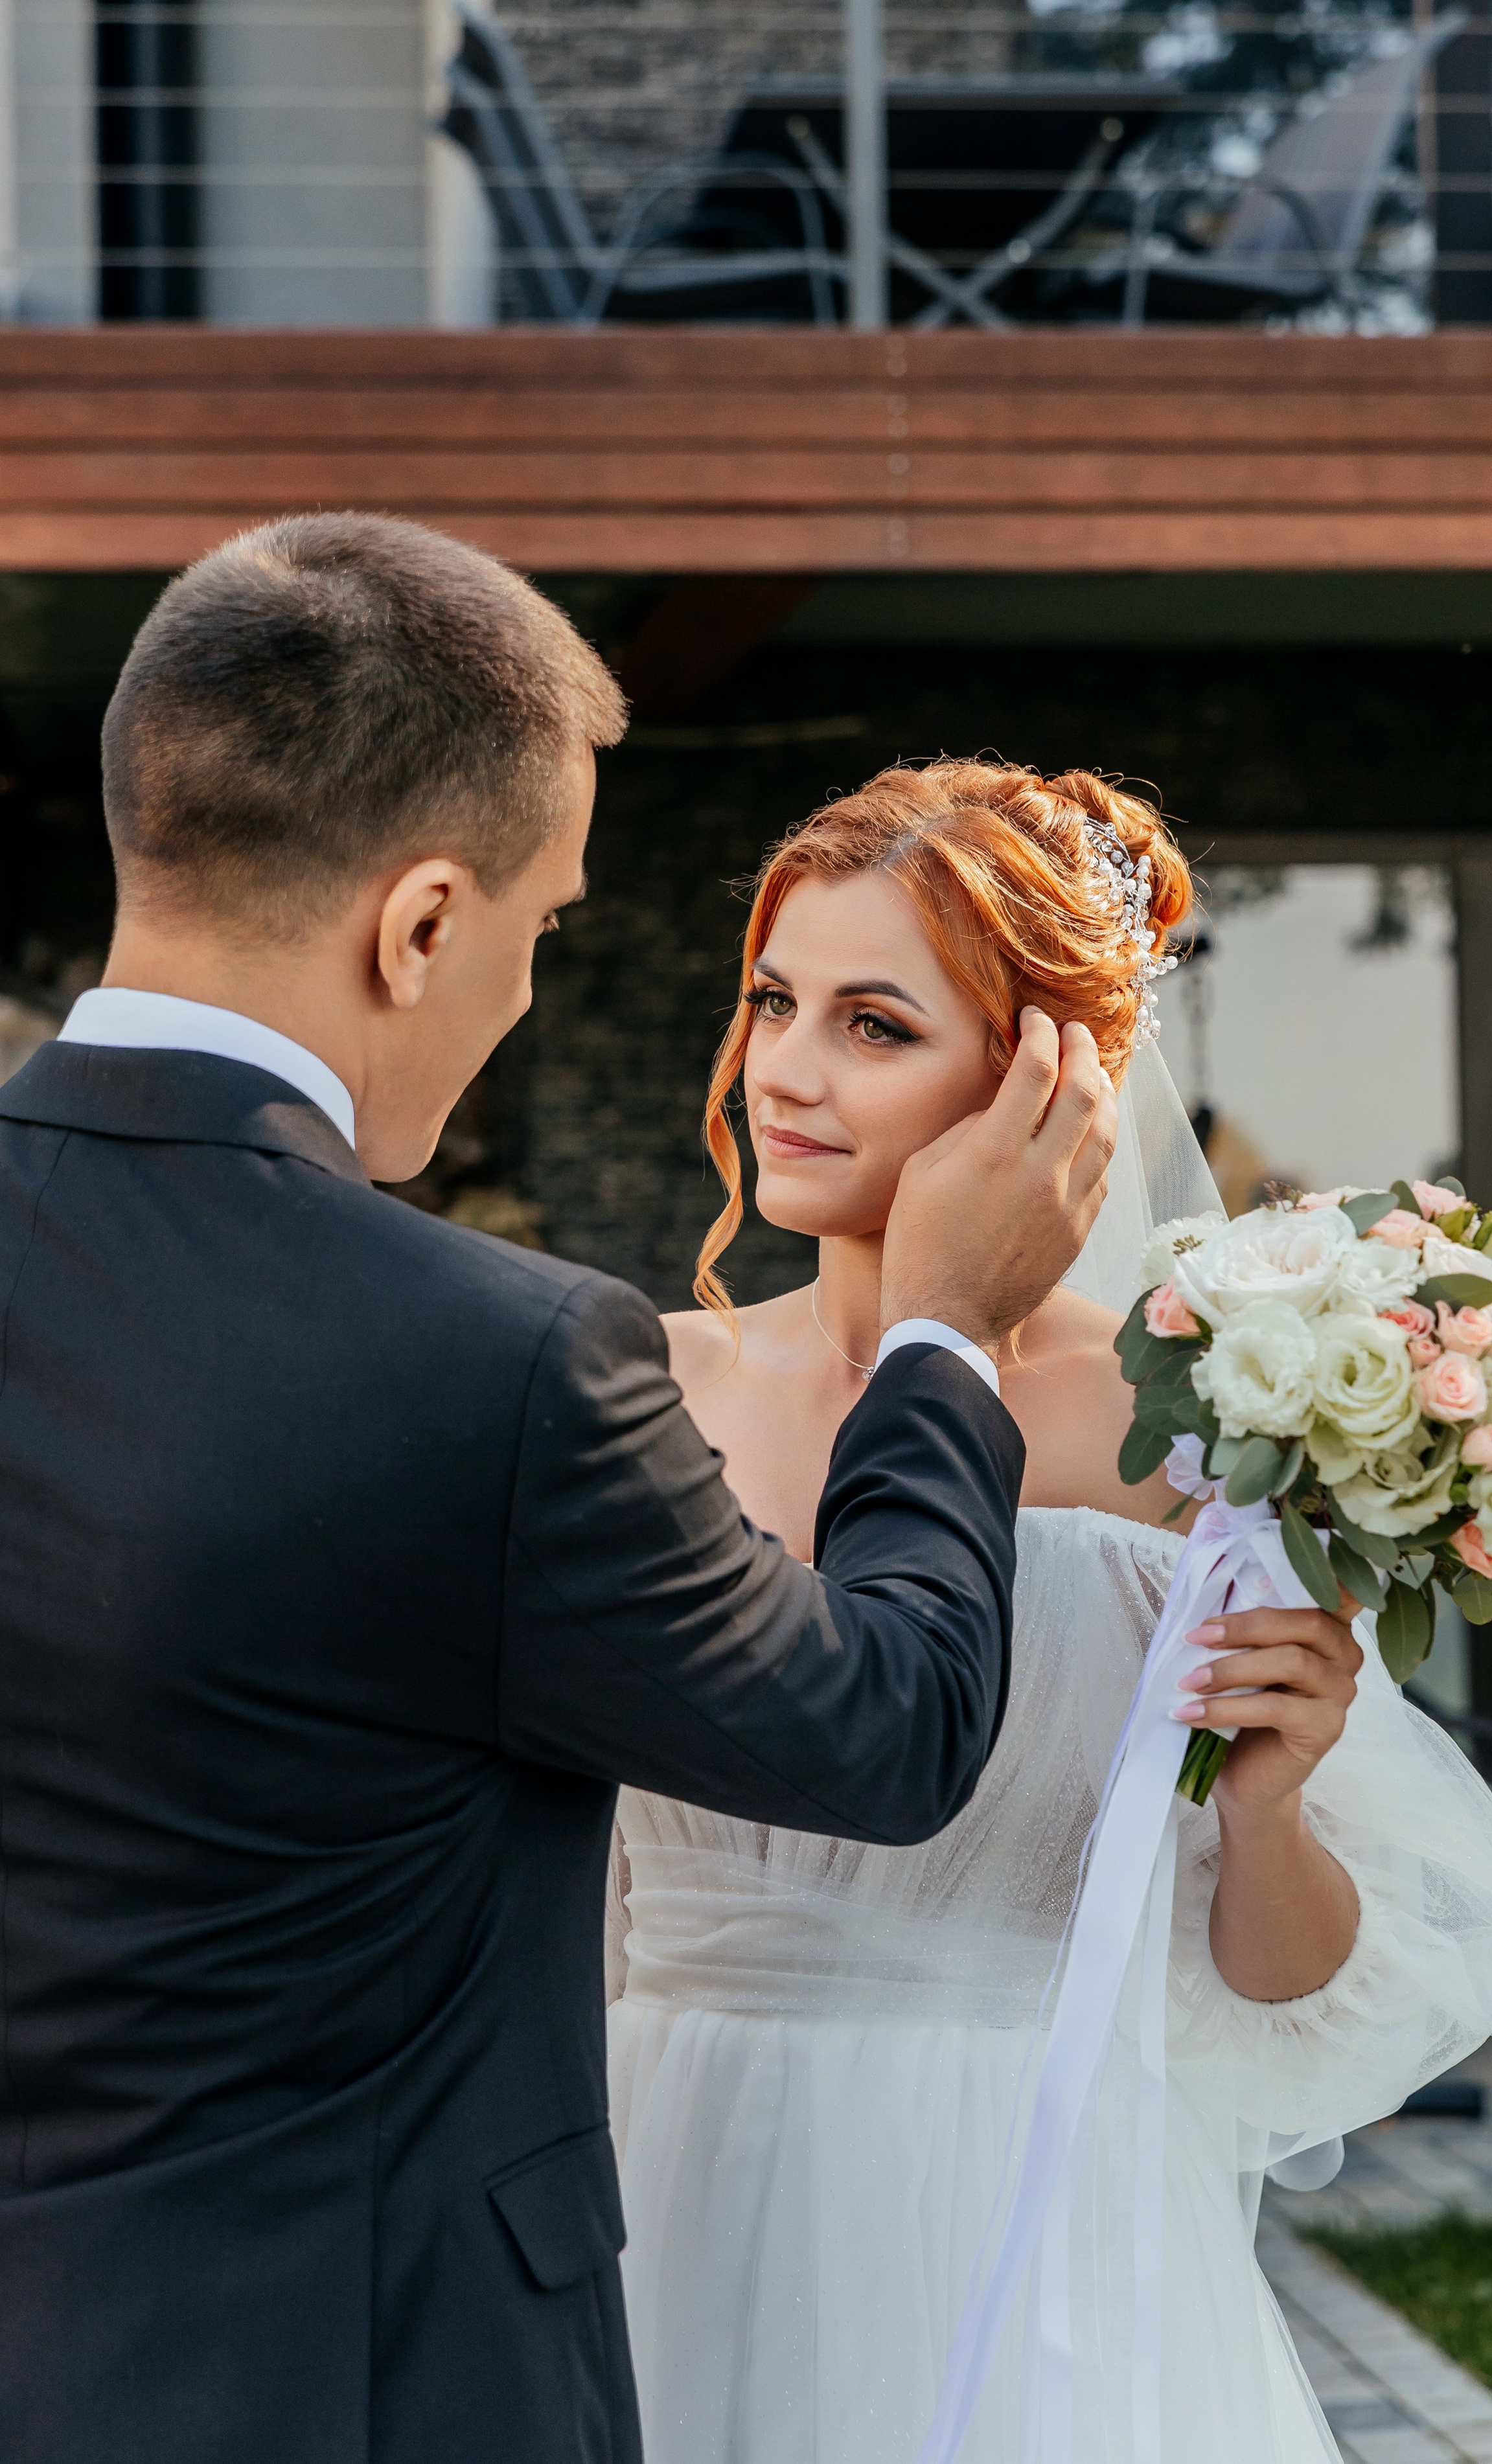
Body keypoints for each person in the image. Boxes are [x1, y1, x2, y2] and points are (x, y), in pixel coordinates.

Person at [0, 523, 1119, 2464]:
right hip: (361, 2386)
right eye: (540, 931)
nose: (522, 996)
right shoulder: (499, 1360)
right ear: (421, 924)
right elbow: (888, 1722)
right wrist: (942, 1334)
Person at [606, 759, 1492, 2464]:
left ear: (1046, 1079)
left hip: (1008, 2201)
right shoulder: (643, 1389)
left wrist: (1268, 1799)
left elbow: (1282, 1985)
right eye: (775, 1000)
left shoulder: (1192, 1434)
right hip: (647, 2179)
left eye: (874, 1025)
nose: (785, 1069)